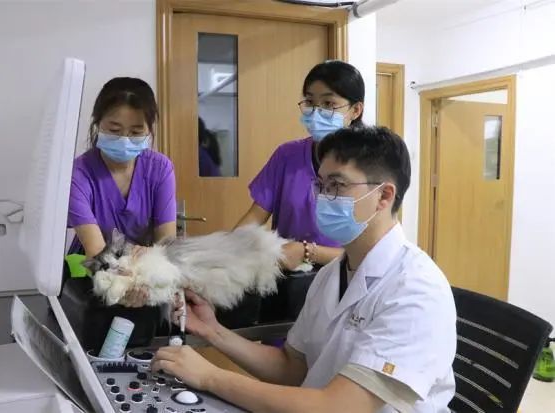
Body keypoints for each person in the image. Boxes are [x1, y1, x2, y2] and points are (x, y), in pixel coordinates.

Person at [152, 126, 457, 413]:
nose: (322, 198)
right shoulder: (331, 275)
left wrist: (210, 377)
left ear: (384, 196)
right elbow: (292, 367)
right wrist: (214, 331)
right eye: (320, 186)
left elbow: (336, 408)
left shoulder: (414, 289)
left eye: (336, 185)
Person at [235, 60, 366, 270]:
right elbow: (254, 217)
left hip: (344, 276)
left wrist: (307, 252)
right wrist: (226, 252)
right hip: (287, 277)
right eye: (310, 102)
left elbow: (370, 252)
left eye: (328, 104)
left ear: (355, 110)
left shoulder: (369, 165)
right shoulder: (287, 156)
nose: (316, 112)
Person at [67, 77, 176, 306]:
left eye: (136, 132)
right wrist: (121, 284)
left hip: (145, 277)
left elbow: (166, 243)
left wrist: (147, 268)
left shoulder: (160, 169)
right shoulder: (78, 173)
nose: (125, 140)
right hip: (92, 276)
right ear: (97, 124)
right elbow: (96, 252)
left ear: (149, 130)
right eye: (114, 130)